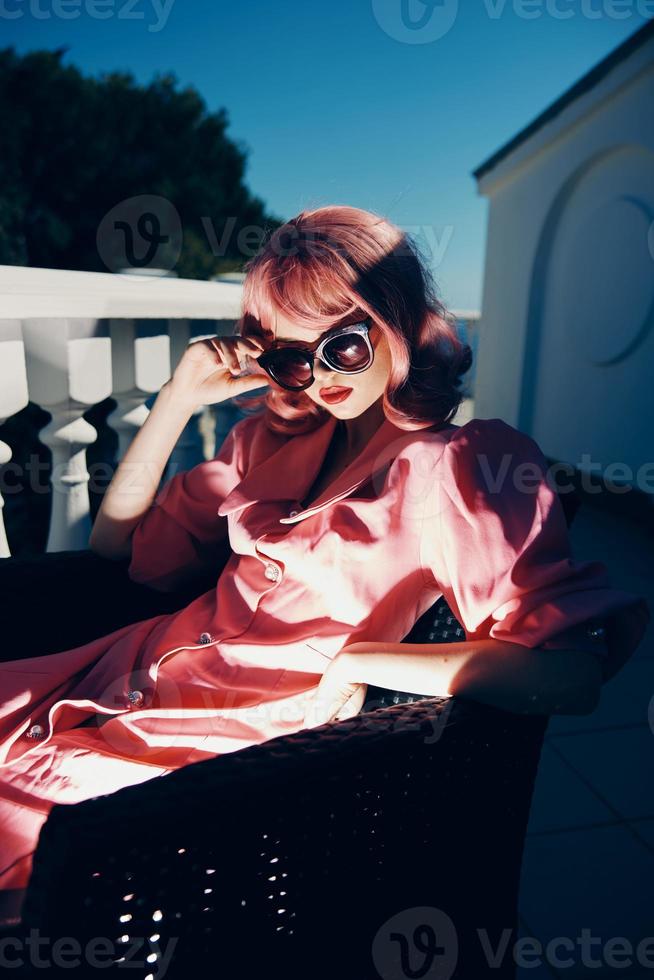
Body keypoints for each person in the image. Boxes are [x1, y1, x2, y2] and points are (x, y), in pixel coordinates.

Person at [0, 205, 649, 927]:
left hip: (216, 749)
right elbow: (113, 551)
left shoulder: (459, 465)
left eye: (342, 345)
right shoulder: (261, 443)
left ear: (395, 322)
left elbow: (569, 671)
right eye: (291, 357)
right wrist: (177, 402)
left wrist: (361, 662)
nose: (317, 377)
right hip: (111, 680)